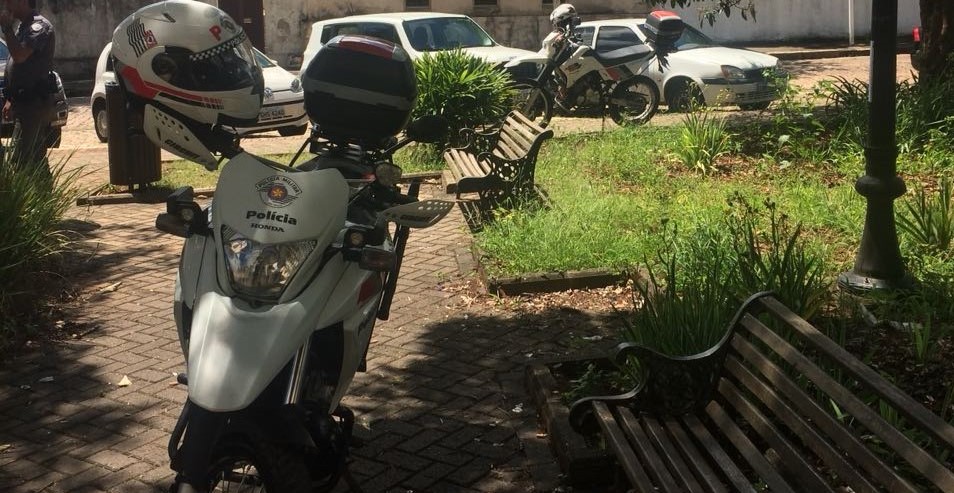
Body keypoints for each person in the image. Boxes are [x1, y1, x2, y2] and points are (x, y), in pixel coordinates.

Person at [0, 0, 56, 183]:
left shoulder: (38, 27)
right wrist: (10, 100)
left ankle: (42, 203)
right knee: (33, 158)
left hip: (34, 105)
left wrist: (7, 28)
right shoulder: (23, 28)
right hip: (23, 104)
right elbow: (16, 68)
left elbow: (20, 56)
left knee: (22, 159)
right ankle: (46, 203)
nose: (5, 5)